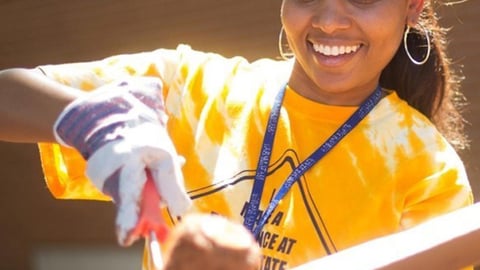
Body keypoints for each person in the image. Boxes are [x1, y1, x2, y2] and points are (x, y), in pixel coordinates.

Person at [0, 0, 474, 269]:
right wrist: (91, 118)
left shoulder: (426, 171)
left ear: (412, 6)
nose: (330, 21)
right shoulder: (191, 89)